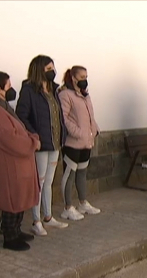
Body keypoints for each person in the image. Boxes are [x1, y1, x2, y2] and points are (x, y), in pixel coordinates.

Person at [16, 55, 69, 236]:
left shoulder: (54, 90)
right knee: (38, 183)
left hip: (54, 143)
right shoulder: (29, 90)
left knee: (48, 182)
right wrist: (34, 135)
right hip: (40, 144)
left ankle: (48, 216)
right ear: (39, 70)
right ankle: (36, 220)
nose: (52, 72)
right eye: (48, 69)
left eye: (53, 68)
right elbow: (21, 115)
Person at [0, 71, 40, 251]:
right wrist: (33, 142)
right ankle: (10, 237)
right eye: (8, 86)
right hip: (10, 165)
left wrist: (31, 136)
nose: (11, 89)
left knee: (20, 199)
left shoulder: (5, 107)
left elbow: (19, 129)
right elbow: (11, 139)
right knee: (11, 201)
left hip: (19, 164)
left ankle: (16, 230)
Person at [58, 66, 101, 221]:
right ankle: (67, 208)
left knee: (82, 173)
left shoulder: (85, 95)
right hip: (72, 143)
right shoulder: (65, 95)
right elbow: (64, 118)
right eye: (82, 76)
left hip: (86, 142)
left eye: (86, 76)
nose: (85, 79)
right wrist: (78, 133)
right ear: (73, 78)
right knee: (69, 175)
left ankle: (83, 203)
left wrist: (94, 129)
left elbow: (90, 116)